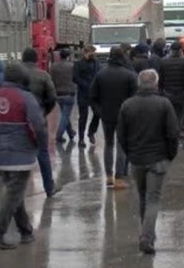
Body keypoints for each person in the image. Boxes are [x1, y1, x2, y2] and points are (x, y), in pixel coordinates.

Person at [0, 64, 47, 250]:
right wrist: (39, 144)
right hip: (21, 154)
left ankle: (26, 231)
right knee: (12, 196)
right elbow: (38, 125)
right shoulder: (26, 98)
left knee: (15, 193)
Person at [117, 69, 179, 255]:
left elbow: (121, 135)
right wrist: (170, 155)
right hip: (158, 159)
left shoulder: (127, 105)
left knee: (144, 197)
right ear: (156, 84)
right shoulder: (164, 104)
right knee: (153, 199)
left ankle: (146, 233)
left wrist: (131, 154)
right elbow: (173, 133)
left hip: (137, 159)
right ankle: (147, 236)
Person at [89, 46, 138, 189]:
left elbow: (93, 96)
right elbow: (135, 97)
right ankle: (119, 176)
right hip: (124, 115)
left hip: (106, 115)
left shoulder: (101, 74)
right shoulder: (129, 75)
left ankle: (109, 175)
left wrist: (99, 111)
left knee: (108, 144)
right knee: (121, 145)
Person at [21, 48, 60, 197]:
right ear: (36, 59)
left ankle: (18, 189)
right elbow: (52, 98)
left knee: (21, 153)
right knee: (42, 153)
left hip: (19, 120)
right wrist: (43, 112)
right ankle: (49, 188)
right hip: (38, 119)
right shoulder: (43, 75)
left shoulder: (16, 75)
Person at [158, 41, 184, 129]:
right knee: (180, 115)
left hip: (167, 93)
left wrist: (161, 91)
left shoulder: (163, 62)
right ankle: (177, 133)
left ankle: (169, 132)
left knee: (168, 115)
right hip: (181, 93)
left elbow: (160, 78)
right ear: (181, 50)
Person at [73, 46, 101, 147]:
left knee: (98, 113)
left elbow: (99, 74)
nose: (93, 54)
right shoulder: (79, 64)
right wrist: (86, 85)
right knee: (83, 117)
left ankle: (91, 132)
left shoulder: (97, 63)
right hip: (83, 93)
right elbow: (75, 78)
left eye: (93, 52)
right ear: (85, 53)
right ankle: (81, 139)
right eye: (91, 52)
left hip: (95, 94)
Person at [50, 49, 77, 143]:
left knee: (65, 114)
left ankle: (70, 133)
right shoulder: (72, 66)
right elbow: (76, 79)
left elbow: (51, 80)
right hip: (69, 94)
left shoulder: (53, 67)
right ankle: (59, 135)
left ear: (60, 56)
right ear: (68, 56)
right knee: (65, 115)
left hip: (58, 94)